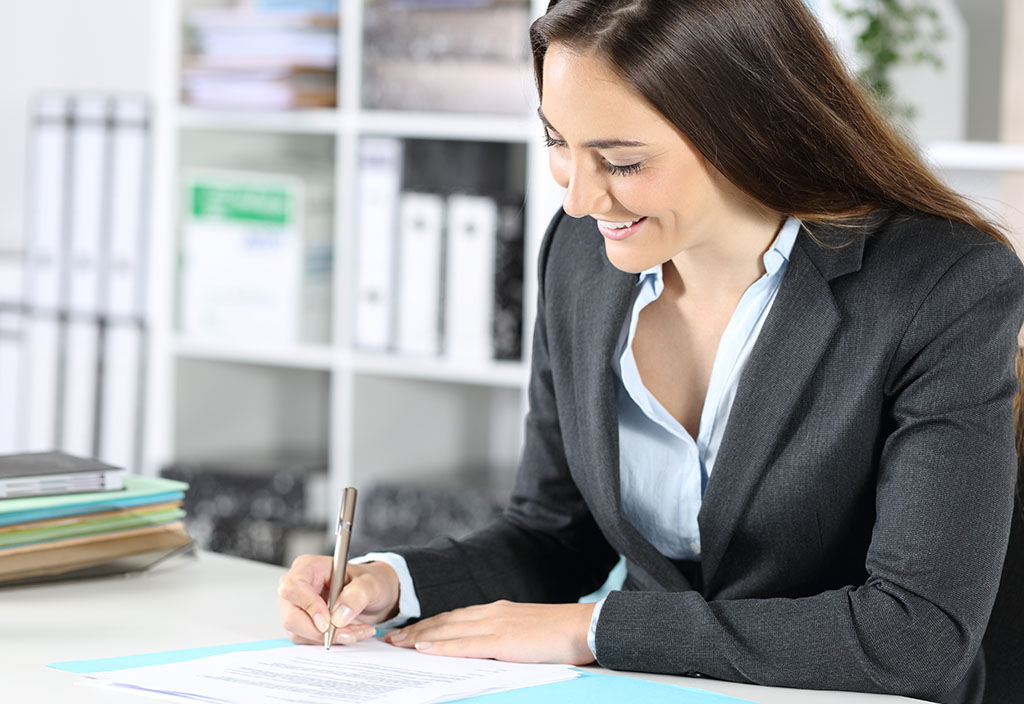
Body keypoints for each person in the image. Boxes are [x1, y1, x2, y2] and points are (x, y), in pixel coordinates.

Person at [278, 1, 1024, 702]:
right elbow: (553, 534)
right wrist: (391, 582)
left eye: (623, 161)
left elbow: (917, 635)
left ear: (753, 126)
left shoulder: (944, 284)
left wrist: (591, 629)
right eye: (558, 143)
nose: (579, 199)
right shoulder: (579, 258)